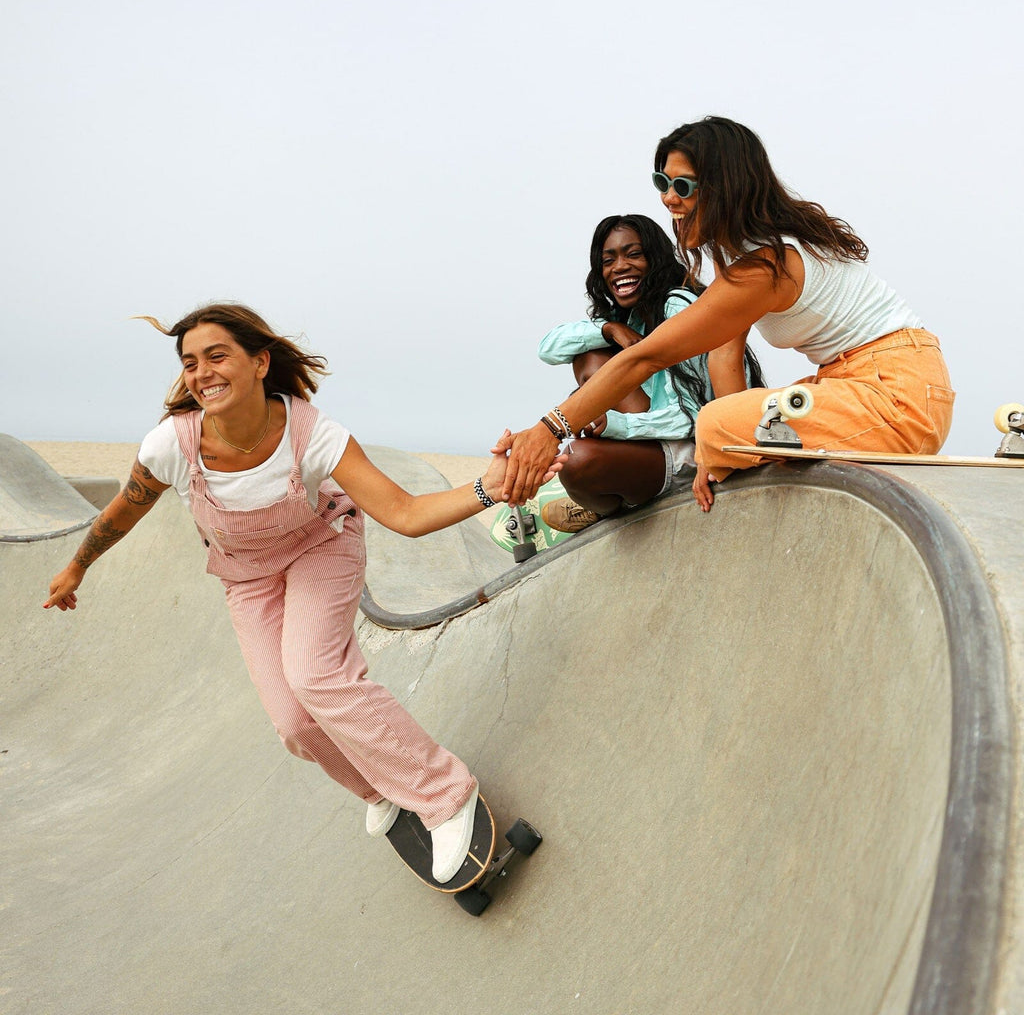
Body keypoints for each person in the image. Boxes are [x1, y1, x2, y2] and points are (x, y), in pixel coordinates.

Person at [44, 303, 518, 884]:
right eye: (190, 362)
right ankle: (382, 790)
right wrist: (77, 567)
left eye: (217, 356)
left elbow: (405, 511)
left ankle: (446, 795)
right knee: (294, 723)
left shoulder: (314, 435)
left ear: (260, 362)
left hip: (322, 547)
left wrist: (486, 488)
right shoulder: (173, 444)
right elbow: (123, 511)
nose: (202, 372)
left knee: (317, 675)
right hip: (247, 575)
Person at [503, 117, 954, 512]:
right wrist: (720, 448)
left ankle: (675, 475)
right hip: (851, 381)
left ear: (724, 187)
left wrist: (549, 429)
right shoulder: (741, 254)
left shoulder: (766, 268)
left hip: (900, 397)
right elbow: (723, 358)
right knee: (719, 426)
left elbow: (647, 357)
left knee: (715, 426)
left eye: (683, 186)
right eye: (662, 183)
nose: (668, 199)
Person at [536, 214, 764, 532]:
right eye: (608, 259)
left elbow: (691, 417)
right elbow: (549, 348)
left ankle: (606, 504)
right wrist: (608, 329)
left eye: (633, 254)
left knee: (577, 462)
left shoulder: (676, 308)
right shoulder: (627, 316)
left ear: (654, 259)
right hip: (656, 438)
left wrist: (615, 424)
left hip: (697, 446)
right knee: (591, 355)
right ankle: (607, 495)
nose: (620, 267)